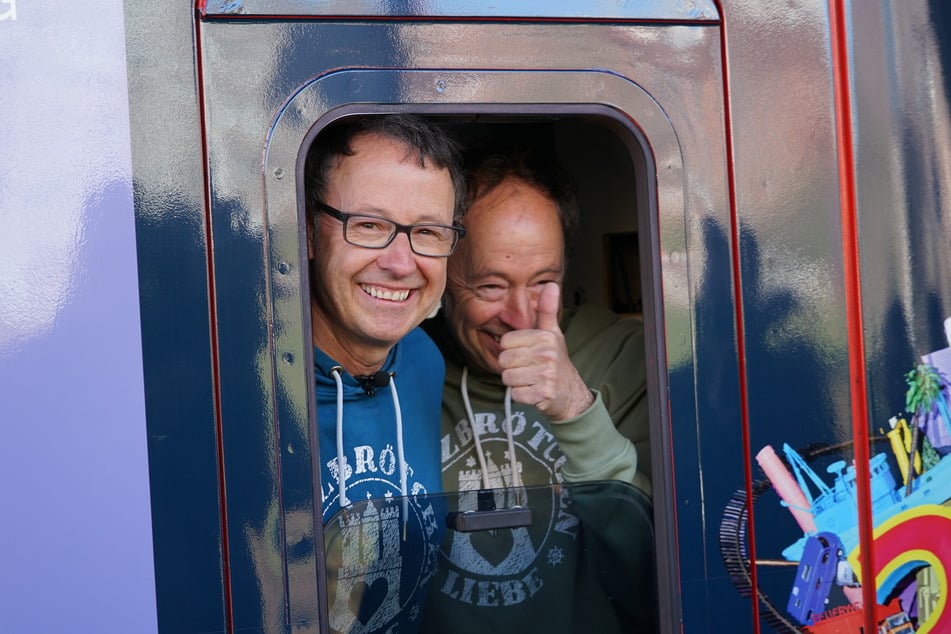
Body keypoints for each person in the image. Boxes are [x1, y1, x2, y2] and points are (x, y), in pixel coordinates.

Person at [420, 146, 655, 632]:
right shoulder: (404, 369)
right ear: (443, 271)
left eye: (543, 281)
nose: (521, 318)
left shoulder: (627, 358)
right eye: (490, 286)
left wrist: (575, 408)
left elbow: (656, 572)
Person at [305, 114, 466, 633]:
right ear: (308, 232)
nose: (401, 262)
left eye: (427, 232)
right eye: (370, 224)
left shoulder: (422, 360)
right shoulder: (243, 386)